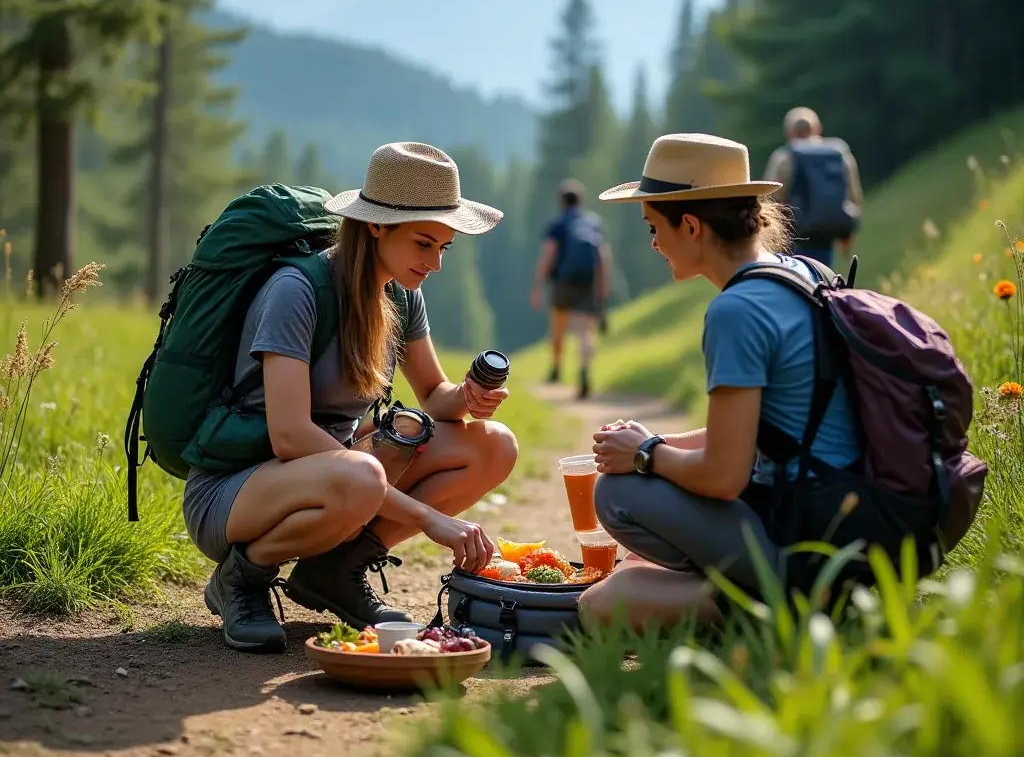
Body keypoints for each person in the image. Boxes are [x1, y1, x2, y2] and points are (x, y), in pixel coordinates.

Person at [577, 133, 934, 633]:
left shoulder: (736, 311)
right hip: (850, 521)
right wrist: (647, 443)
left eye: (654, 227)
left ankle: (777, 607)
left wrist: (645, 454)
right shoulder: (804, 273)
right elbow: (770, 434)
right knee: (627, 514)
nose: (653, 243)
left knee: (615, 501)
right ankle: (776, 592)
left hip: (804, 535)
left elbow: (725, 475)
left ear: (693, 226)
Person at [184, 143, 519, 653]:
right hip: (235, 490)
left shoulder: (401, 296)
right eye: (424, 244)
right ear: (376, 226)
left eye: (443, 248)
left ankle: (335, 572)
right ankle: (240, 578)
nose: (435, 264)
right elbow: (290, 435)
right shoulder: (296, 290)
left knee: (495, 444)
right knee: (363, 475)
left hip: (344, 479)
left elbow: (432, 394)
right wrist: (427, 517)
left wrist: (467, 398)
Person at [530, 179, 612, 400]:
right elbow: (603, 257)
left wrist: (538, 286)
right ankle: (584, 372)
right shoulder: (594, 223)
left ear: (561, 202)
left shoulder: (557, 225)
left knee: (558, 326)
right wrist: (603, 287)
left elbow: (548, 255)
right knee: (586, 332)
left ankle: (556, 368)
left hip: (563, 282)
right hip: (587, 282)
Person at [763, 107, 863, 268]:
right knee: (822, 279)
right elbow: (854, 196)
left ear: (789, 133)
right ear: (818, 128)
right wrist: (847, 235)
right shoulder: (839, 154)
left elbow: (771, 200)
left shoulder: (784, 157)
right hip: (826, 233)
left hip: (794, 236)